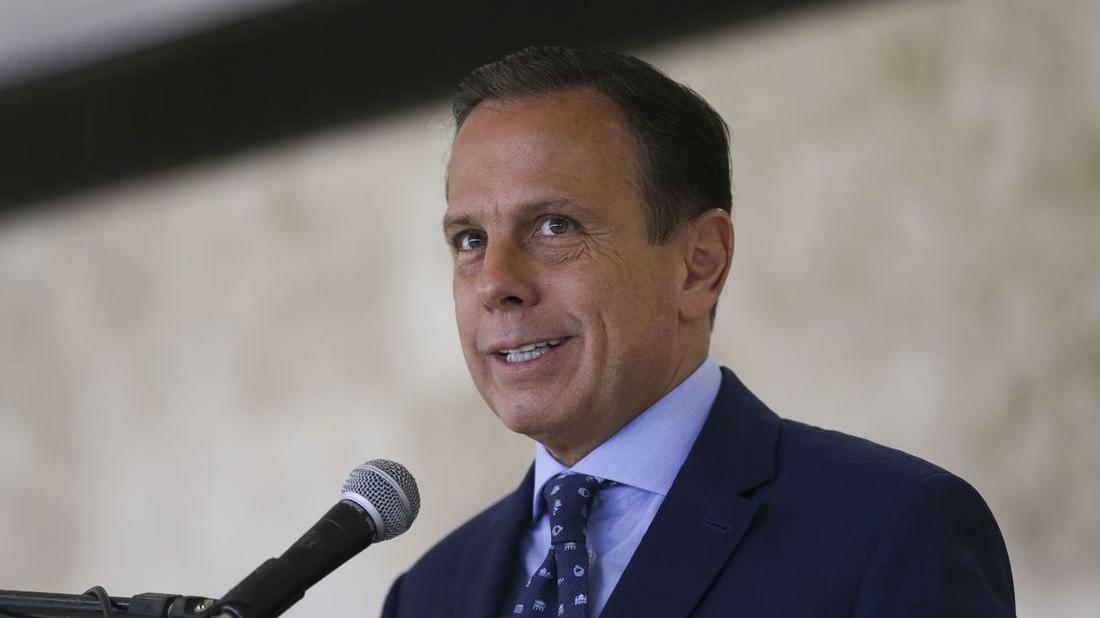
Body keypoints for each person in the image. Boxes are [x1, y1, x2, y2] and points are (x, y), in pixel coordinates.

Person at [381, 47, 1015, 617]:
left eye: (554, 226)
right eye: (470, 239)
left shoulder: (891, 532)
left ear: (699, 263)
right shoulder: (425, 597)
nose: (495, 283)